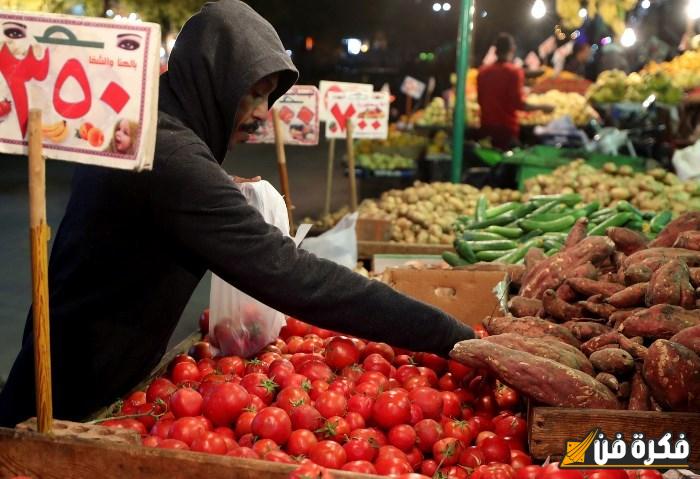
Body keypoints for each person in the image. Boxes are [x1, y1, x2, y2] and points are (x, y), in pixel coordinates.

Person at [0, 0, 474, 427]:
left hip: (82, 366)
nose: (262, 113)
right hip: (65, 397)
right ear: (211, 79)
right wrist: (447, 333)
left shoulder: (151, 125)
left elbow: (151, 207)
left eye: (269, 96)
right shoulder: (170, 157)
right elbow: (290, 275)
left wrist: (217, 187)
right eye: (252, 93)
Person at [477, 33, 554, 150]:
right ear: (512, 49)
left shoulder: (482, 72)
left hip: (485, 128)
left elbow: (480, 100)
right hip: (506, 131)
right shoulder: (514, 72)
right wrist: (543, 107)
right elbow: (519, 104)